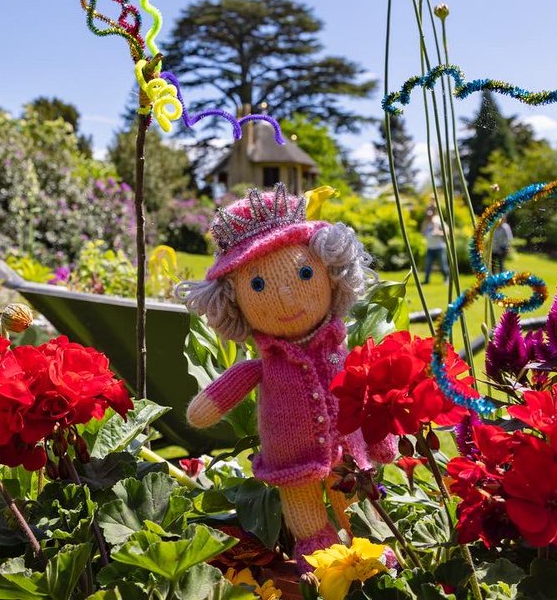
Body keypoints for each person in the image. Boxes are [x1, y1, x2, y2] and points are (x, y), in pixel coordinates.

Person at [178, 184, 397, 569]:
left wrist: (381, 437)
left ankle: (371, 548)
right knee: (307, 519)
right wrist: (207, 405)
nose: (286, 296)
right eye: (257, 285)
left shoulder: (341, 350)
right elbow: (212, 402)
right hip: (290, 457)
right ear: (234, 302)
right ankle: (319, 562)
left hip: (347, 450)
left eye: (305, 273)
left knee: (359, 508)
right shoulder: (264, 364)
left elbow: (367, 393)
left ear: (332, 276)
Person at [421, 210, 448, 284]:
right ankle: (426, 280)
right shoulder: (426, 224)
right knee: (428, 264)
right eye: (428, 216)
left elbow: (447, 231)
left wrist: (438, 233)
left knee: (443, 264)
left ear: (433, 215)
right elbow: (423, 233)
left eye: (430, 215)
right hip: (430, 248)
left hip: (439, 247)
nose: (429, 217)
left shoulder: (439, 222)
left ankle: (446, 279)